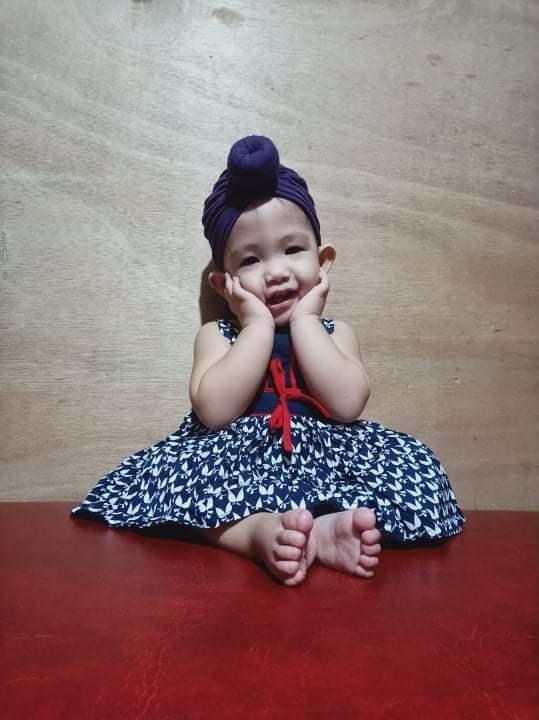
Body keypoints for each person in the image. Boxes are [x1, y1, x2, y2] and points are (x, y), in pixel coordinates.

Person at [72, 135, 465, 586]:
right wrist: (256, 326)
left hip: (324, 459)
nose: (276, 272)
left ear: (323, 261)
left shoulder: (336, 332)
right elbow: (214, 412)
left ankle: (324, 530)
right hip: (235, 463)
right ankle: (256, 534)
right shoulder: (218, 336)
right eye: (251, 260)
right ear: (224, 284)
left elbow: (347, 405)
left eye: (293, 250)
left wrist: (306, 322)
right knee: (173, 488)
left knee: (417, 469)